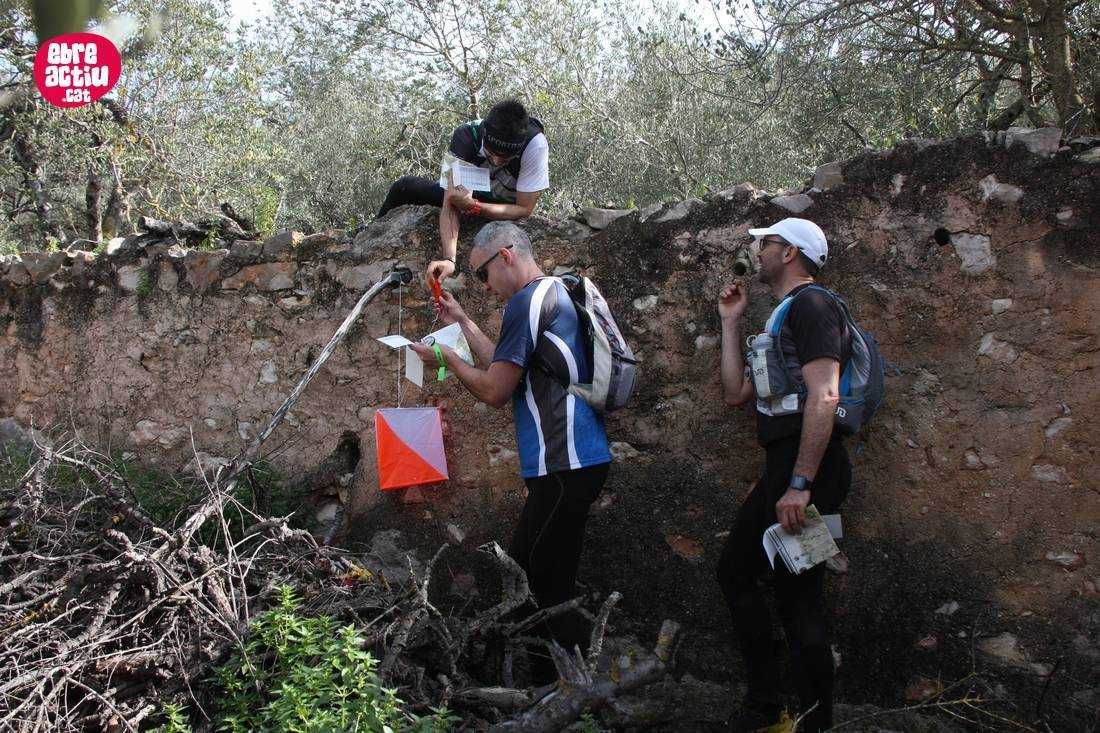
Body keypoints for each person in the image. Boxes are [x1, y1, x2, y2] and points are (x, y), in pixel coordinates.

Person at [408, 221, 611, 682]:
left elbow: (497, 390)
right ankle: (554, 689)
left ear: (505, 256)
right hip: (572, 464)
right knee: (526, 575)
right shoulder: (550, 293)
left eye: (481, 274)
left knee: (543, 588)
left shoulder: (527, 300)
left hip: (565, 463)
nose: (483, 285)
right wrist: (461, 321)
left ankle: (568, 693)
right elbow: (506, 359)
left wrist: (446, 359)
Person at [714, 217, 852, 732]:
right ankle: (768, 706)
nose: (759, 251)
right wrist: (731, 322)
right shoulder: (781, 316)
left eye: (766, 243)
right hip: (786, 466)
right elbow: (736, 394)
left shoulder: (815, 305)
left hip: (810, 469)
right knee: (739, 572)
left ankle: (804, 719)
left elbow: (826, 395)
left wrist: (799, 483)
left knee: (799, 595)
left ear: (790, 252)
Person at [376, 99, 550, 289]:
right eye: (492, 153)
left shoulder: (535, 144)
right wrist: (449, 259)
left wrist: (476, 207)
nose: (498, 161)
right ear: (485, 135)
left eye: (505, 157)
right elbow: (450, 203)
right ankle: (367, 235)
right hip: (467, 196)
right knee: (404, 186)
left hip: (501, 205)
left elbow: (524, 209)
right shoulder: (466, 136)